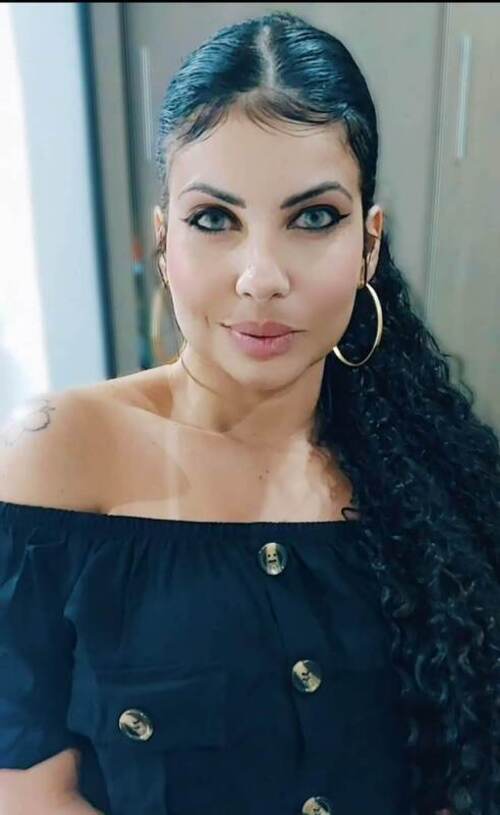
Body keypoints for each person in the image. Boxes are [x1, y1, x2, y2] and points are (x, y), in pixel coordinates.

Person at [0, 9, 498, 815]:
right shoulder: (59, 454)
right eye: (214, 219)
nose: (261, 276)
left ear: (369, 244)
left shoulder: (434, 479)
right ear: (165, 240)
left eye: (313, 218)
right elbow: (24, 786)